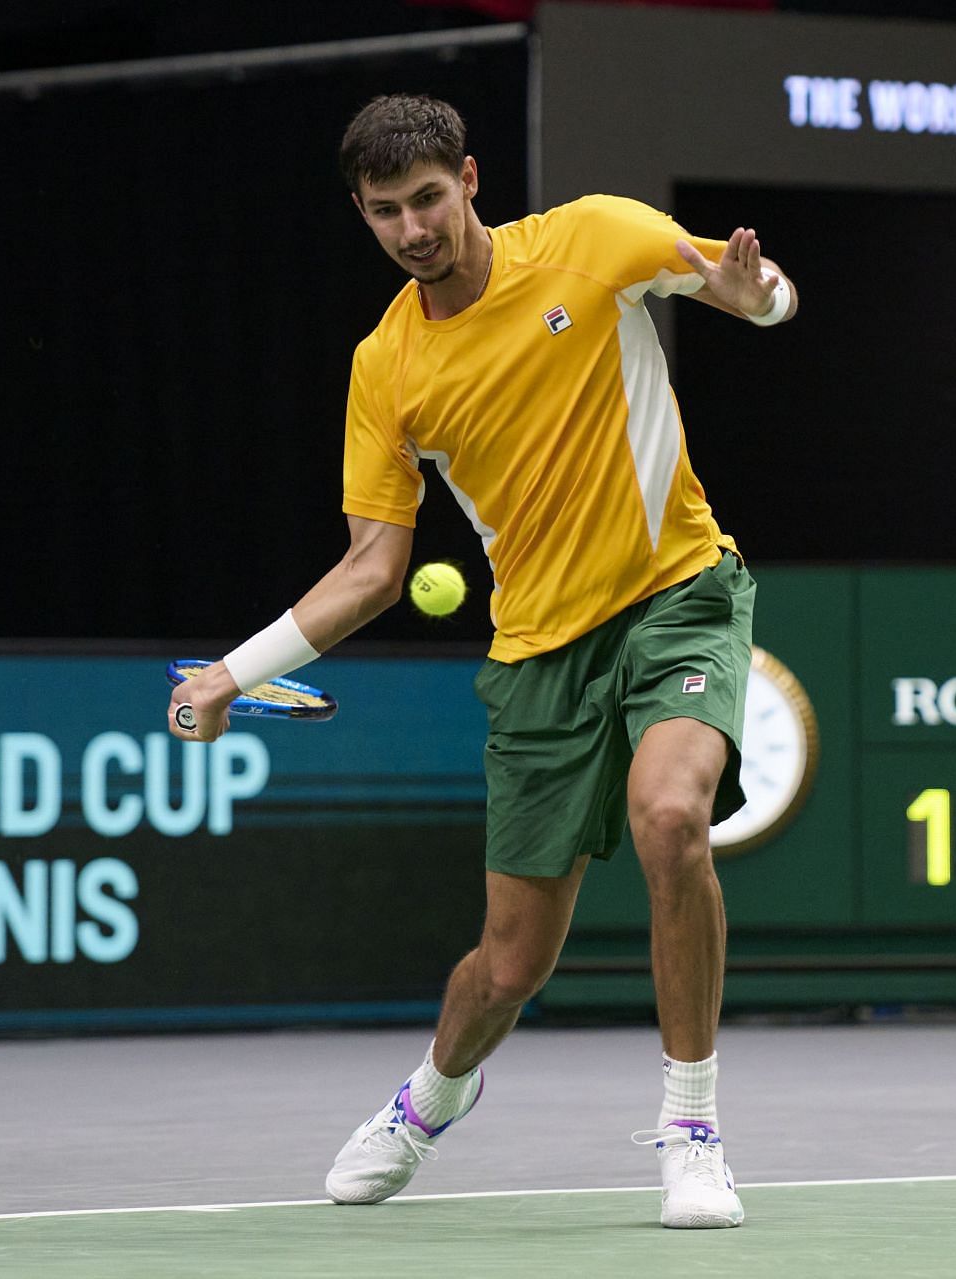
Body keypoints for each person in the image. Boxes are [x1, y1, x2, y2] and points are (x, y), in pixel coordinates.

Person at [165, 94, 796, 1230]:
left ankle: (692, 1127)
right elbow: (372, 568)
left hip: (679, 594)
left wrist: (757, 300)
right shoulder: (388, 367)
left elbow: (752, 287)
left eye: (426, 199)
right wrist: (232, 672)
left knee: (670, 816)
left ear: (468, 180)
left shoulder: (596, 238)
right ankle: (430, 1097)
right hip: (538, 652)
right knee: (508, 967)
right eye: (383, 213)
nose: (412, 228)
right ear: (362, 217)